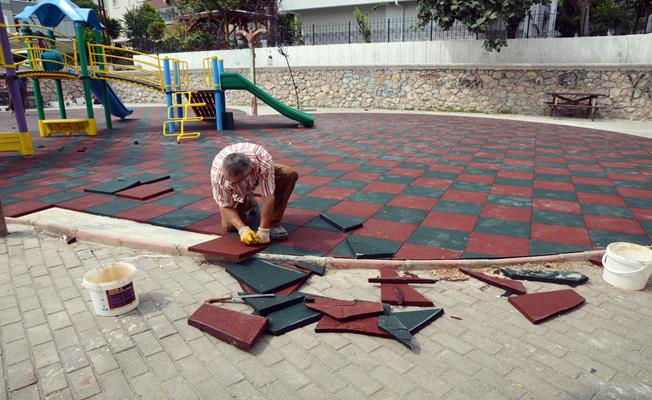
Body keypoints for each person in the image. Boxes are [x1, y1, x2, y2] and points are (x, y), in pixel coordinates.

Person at [211, 142, 299, 245]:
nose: (231, 183)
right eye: (228, 180)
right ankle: (248, 201)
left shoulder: (263, 162)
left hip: (258, 169)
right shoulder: (218, 174)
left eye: (236, 182)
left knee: (288, 174)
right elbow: (224, 205)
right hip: (238, 180)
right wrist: (242, 229)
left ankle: (273, 223)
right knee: (230, 227)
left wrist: (264, 230)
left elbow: (268, 196)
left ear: (248, 173)